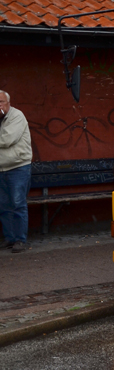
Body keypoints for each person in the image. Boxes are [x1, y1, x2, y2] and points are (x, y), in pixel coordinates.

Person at [0, 90, 33, 253]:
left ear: (8, 103)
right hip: (2, 169)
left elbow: (6, 140)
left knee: (17, 204)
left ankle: (20, 240)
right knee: (3, 206)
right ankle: (10, 238)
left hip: (18, 168)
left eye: (1, 102)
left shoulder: (17, 116)